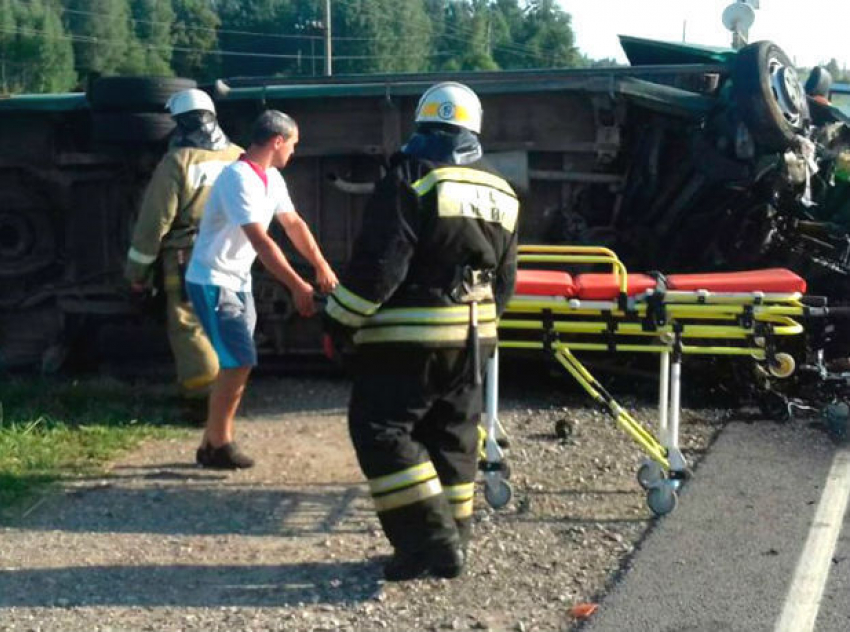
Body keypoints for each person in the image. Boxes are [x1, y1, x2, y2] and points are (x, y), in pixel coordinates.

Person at [324, 82, 519, 580]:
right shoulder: (501, 187)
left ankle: (430, 542)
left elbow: (380, 269)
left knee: (381, 430)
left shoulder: (412, 175)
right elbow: (506, 281)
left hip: (411, 335)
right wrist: (481, 328)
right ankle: (451, 545)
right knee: (453, 436)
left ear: (421, 124)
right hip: (477, 336)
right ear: (473, 127)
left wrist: (338, 319)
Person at [186, 109, 337, 469]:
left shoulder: (271, 178)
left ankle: (211, 441)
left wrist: (320, 264)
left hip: (237, 281)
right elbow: (262, 242)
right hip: (213, 279)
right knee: (240, 360)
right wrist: (298, 285)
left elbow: (294, 224)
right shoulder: (237, 178)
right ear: (277, 141)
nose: (294, 153)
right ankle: (219, 444)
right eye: (293, 145)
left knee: (235, 362)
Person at [124, 89, 243, 423]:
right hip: (235, 251)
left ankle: (203, 401)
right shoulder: (239, 156)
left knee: (190, 323)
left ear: (182, 123)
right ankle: (230, 395)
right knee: (227, 320)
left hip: (190, 254)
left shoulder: (178, 162)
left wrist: (136, 272)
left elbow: (154, 222)